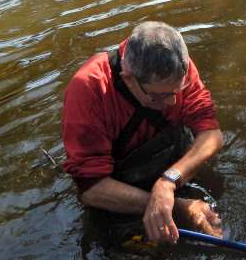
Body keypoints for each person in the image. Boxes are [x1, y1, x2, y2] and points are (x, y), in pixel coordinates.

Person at [61, 21, 223, 243]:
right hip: (118, 188)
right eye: (159, 96)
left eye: (179, 90)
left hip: (173, 170)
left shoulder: (176, 64)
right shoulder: (90, 89)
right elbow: (91, 189)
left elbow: (211, 135)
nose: (173, 101)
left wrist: (167, 182)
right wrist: (176, 207)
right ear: (129, 77)